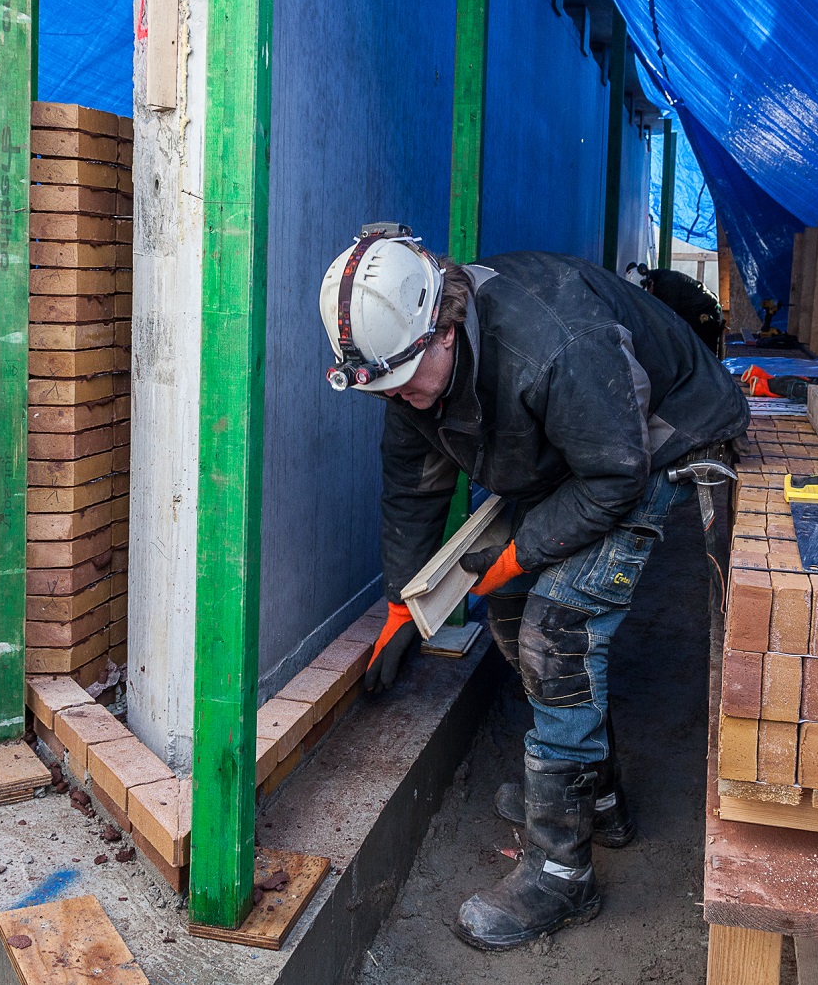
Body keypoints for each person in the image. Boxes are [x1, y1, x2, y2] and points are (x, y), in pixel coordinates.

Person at [318, 223, 749, 951]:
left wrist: (519, 554)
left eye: (406, 382)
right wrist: (401, 600)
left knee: (560, 626)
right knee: (513, 612)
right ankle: (595, 796)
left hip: (660, 438)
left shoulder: (555, 344)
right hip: (590, 445)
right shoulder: (407, 369)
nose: (405, 400)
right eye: (385, 389)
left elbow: (614, 476)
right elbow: (414, 484)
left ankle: (562, 872)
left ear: (444, 329)